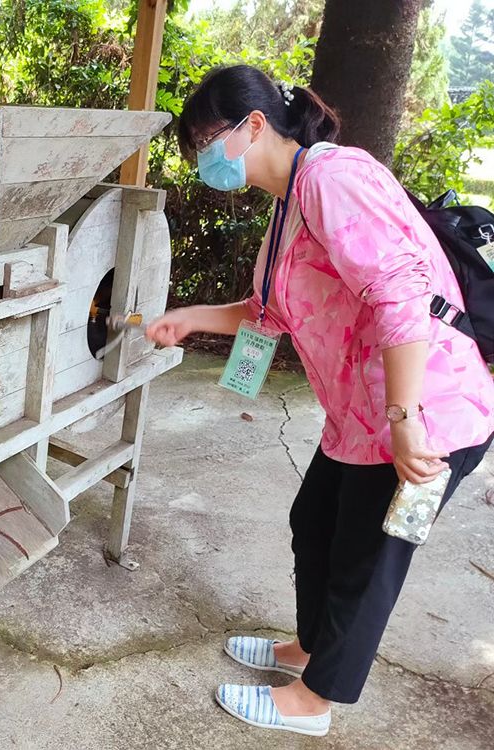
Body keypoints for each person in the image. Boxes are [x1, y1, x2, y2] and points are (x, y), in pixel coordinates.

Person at [146, 65, 494, 737]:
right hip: (362, 413)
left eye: (204, 141)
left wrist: (406, 419)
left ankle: (315, 700)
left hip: (429, 410)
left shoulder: (334, 179)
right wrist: (192, 318)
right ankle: (308, 649)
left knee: (369, 555)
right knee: (316, 524)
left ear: (253, 125)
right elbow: (269, 310)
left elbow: (399, 296)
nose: (201, 161)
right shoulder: (292, 201)